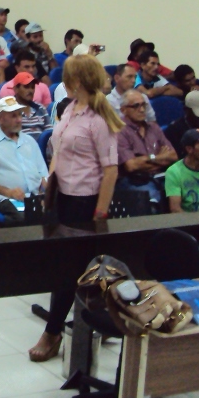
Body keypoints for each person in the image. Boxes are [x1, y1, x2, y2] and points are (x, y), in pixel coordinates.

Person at [30, 55, 122, 363]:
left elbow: (111, 170)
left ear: (78, 82)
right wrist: (49, 183)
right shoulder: (70, 109)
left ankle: (53, 331)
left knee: (70, 271)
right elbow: (57, 149)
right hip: (61, 197)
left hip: (85, 202)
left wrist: (100, 212)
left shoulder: (99, 119)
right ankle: (67, 326)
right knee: (62, 266)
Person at [0, 96, 49, 223]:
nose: (19, 120)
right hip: (7, 198)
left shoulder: (30, 141)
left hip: (35, 197)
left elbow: (43, 174)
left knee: (57, 215)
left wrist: (45, 193)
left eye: (20, 115)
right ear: (0, 119)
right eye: (13, 116)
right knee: (23, 220)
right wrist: (8, 192)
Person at [116, 90, 178, 206]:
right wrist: (160, 157)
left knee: (185, 188)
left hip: (160, 176)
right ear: (123, 110)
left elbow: (173, 156)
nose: (142, 109)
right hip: (134, 180)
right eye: (136, 106)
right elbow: (131, 166)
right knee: (152, 199)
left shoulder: (154, 128)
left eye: (143, 105)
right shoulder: (120, 131)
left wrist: (145, 160)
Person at [9, 72, 51, 140]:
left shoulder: (40, 108)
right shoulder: (9, 110)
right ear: (16, 89)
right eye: (26, 87)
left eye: (32, 87)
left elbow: (49, 133)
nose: (30, 90)